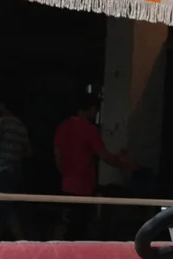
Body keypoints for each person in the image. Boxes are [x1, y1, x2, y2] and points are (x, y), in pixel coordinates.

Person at [53, 91, 128, 239]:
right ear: (91, 108)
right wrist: (122, 164)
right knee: (81, 227)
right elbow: (104, 155)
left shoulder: (63, 126)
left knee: (66, 222)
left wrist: (64, 172)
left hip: (66, 184)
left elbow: (58, 154)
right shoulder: (89, 129)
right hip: (84, 187)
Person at [0, 100, 31, 239]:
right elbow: (29, 151)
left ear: (0, 104)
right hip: (16, 170)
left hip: (1, 169)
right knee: (11, 205)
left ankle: (19, 239)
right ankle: (9, 236)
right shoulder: (21, 125)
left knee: (3, 206)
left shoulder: (1, 121)